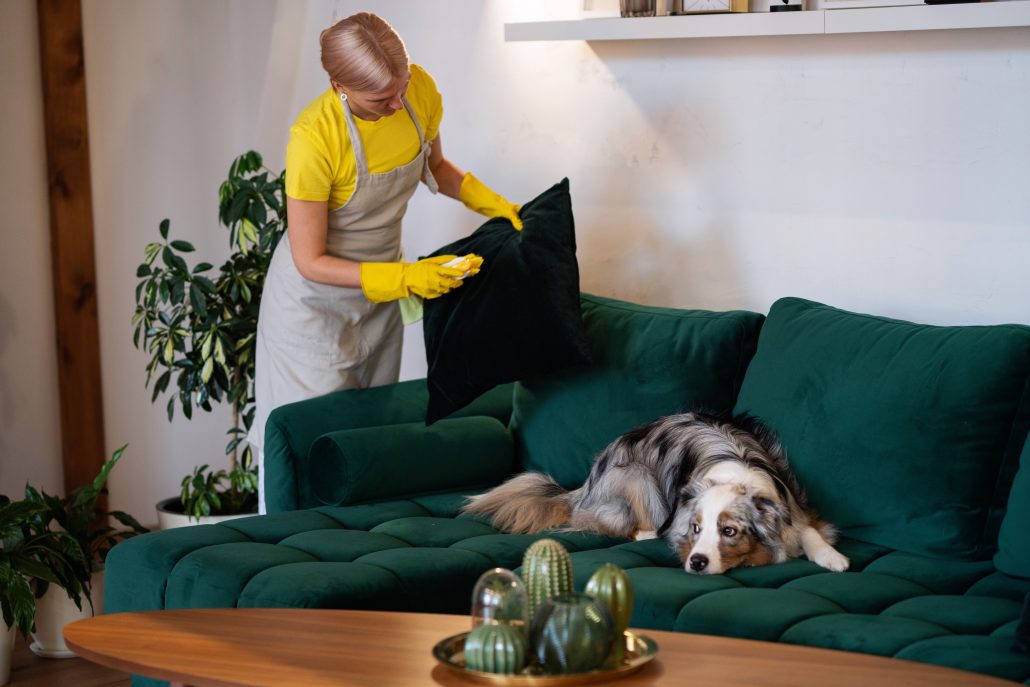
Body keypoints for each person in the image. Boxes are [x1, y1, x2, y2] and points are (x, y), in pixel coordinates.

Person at [249, 12, 522, 512]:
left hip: (381, 298)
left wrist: (496, 204)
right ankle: (289, 566)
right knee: (306, 447)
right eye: (382, 99)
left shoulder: (418, 93)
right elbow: (309, 259)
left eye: (401, 89)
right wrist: (404, 277)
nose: (398, 104)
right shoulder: (314, 138)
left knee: (365, 440)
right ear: (340, 86)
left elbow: (435, 168)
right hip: (313, 310)